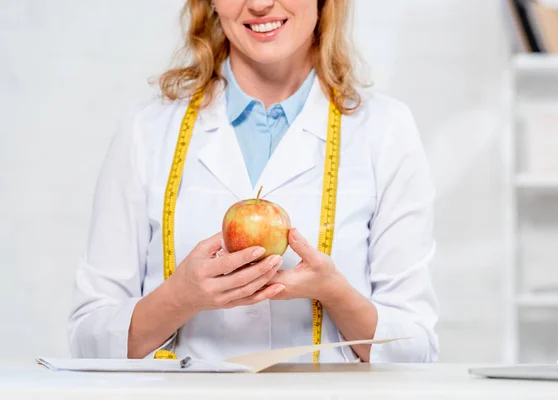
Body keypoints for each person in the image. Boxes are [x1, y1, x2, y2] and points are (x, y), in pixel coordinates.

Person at [67, 0, 439, 364]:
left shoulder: (386, 128)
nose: (260, 4)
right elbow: (88, 340)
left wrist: (335, 294)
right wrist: (180, 297)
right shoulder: (147, 129)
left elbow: (415, 346)